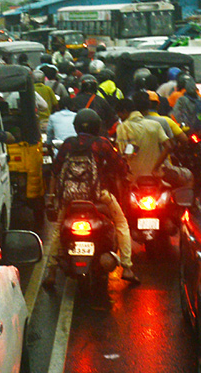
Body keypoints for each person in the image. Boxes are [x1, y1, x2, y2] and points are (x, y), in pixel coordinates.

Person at [45, 109, 137, 285]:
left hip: (70, 199)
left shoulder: (68, 144)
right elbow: (120, 168)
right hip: (99, 196)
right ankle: (127, 267)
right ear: (97, 126)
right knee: (121, 223)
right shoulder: (102, 144)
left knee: (57, 230)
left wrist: (51, 199)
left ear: (76, 126)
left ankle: (51, 272)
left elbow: (55, 172)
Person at [116, 91, 171, 185]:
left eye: (120, 115)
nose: (120, 118)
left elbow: (123, 155)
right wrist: (156, 168)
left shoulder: (123, 127)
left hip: (132, 179)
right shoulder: (155, 125)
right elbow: (169, 146)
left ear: (125, 112)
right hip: (155, 176)